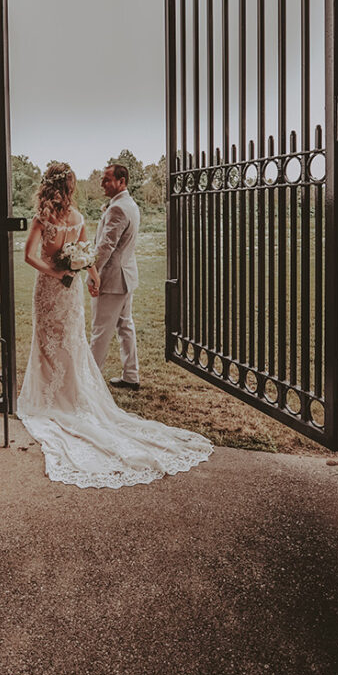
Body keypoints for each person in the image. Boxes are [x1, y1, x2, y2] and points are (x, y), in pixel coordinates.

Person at [17, 161, 212, 489]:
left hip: (52, 288)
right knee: (71, 341)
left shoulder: (44, 219)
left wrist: (59, 273)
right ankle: (76, 392)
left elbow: (30, 255)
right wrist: (88, 275)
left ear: (47, 186)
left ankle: (55, 397)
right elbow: (89, 255)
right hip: (71, 290)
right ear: (69, 188)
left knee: (55, 341)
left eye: (108, 179)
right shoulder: (79, 218)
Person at [88, 162, 140, 390]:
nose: (102, 183)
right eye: (103, 179)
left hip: (111, 280)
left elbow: (106, 246)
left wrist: (92, 272)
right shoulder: (131, 204)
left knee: (100, 330)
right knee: (125, 326)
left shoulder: (117, 208)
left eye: (107, 179)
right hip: (126, 277)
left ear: (122, 182)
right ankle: (131, 376)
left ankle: (90, 382)